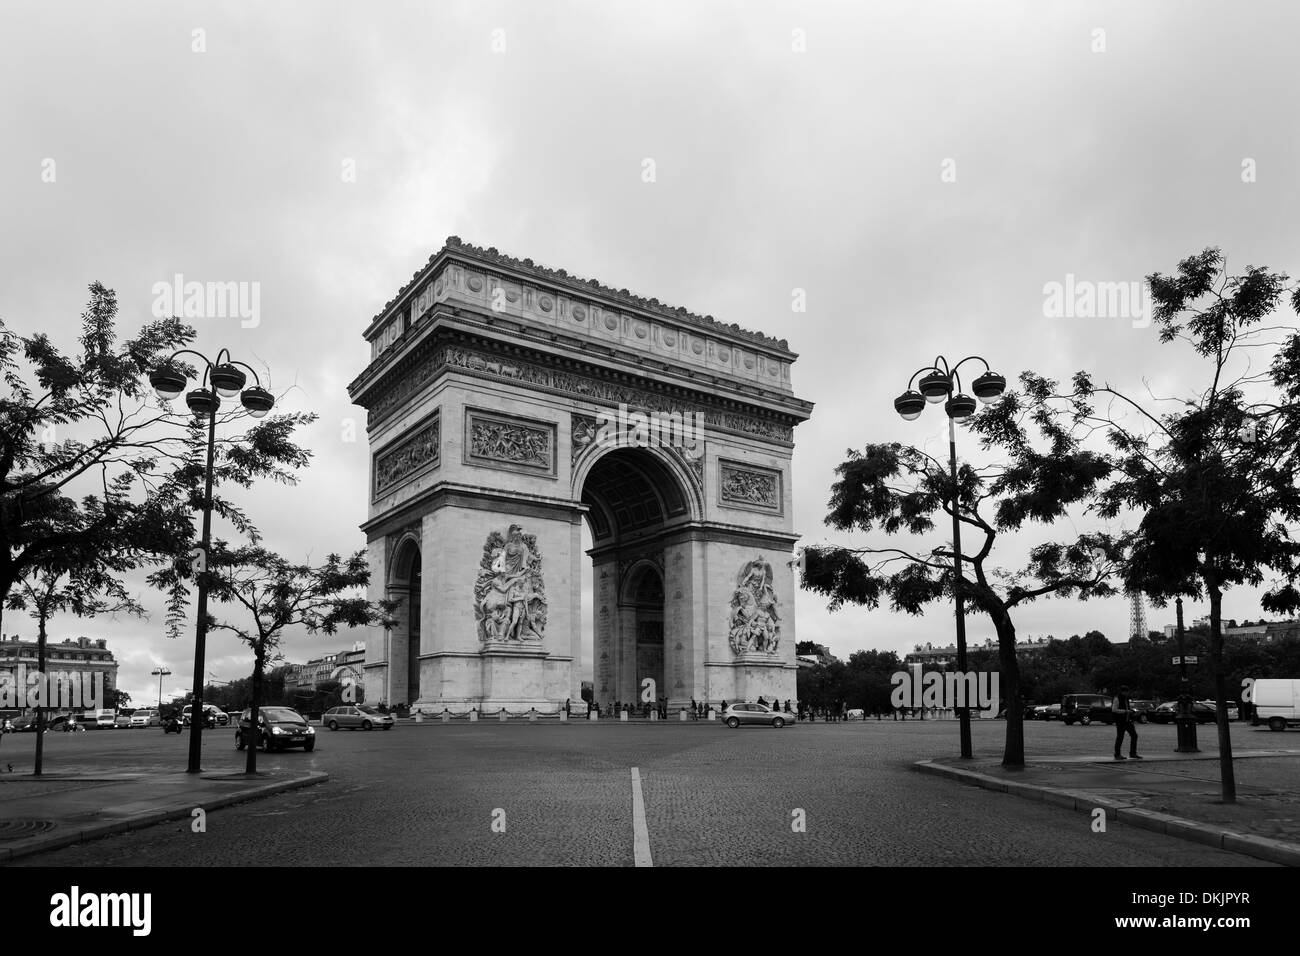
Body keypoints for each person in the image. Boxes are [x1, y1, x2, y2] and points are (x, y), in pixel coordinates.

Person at [1112, 685, 1141, 760]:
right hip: (1120, 721)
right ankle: (1117, 754)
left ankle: (1133, 753)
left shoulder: (1126, 698)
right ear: (1123, 692)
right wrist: (1125, 711)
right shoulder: (1117, 698)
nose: (1128, 693)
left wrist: (1131, 712)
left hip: (1127, 720)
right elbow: (1114, 710)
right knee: (1120, 737)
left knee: (1134, 735)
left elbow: (1126, 707)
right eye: (1127, 692)